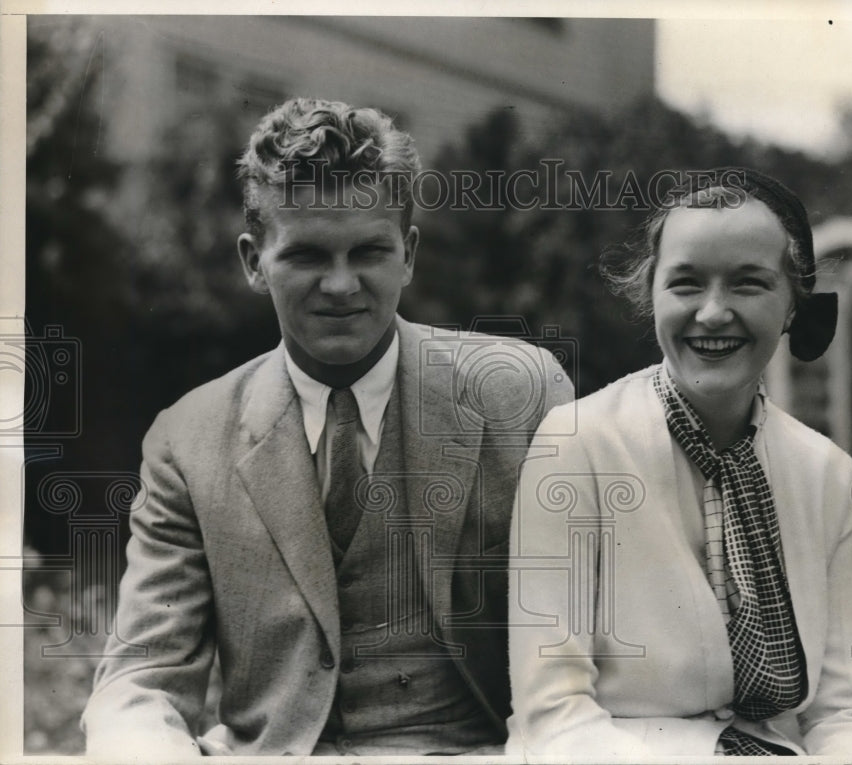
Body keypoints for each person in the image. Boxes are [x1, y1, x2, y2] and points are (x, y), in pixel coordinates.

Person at [82, 97, 573, 757]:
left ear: (409, 253)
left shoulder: (521, 394)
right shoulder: (187, 438)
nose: (341, 285)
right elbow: (140, 676)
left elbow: (590, 647)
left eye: (369, 251)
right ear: (255, 261)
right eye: (309, 254)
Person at [506, 168, 852, 757]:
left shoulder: (828, 476)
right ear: (650, 294)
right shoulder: (578, 443)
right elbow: (553, 712)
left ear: (793, 304)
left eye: (748, 284)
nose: (712, 314)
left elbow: (846, 710)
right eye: (686, 284)